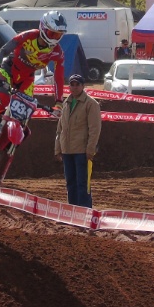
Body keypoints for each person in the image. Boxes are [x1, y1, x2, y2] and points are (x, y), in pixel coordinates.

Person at [0, 10, 68, 147]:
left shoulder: (57, 52)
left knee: (24, 113)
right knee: (2, 100)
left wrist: (59, 102)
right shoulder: (28, 35)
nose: (55, 38)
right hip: (9, 69)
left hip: (27, 78)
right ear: (43, 27)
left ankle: (5, 144)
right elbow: (3, 50)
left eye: (59, 35)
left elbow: (59, 78)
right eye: (52, 33)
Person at [54, 73, 102, 208]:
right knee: (70, 182)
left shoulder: (91, 104)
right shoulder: (66, 103)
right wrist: (58, 149)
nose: (74, 88)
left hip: (82, 151)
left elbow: (95, 129)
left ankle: (84, 212)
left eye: (77, 85)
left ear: (83, 86)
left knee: (82, 183)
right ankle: (72, 211)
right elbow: (60, 128)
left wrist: (90, 149)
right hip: (67, 150)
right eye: (72, 85)